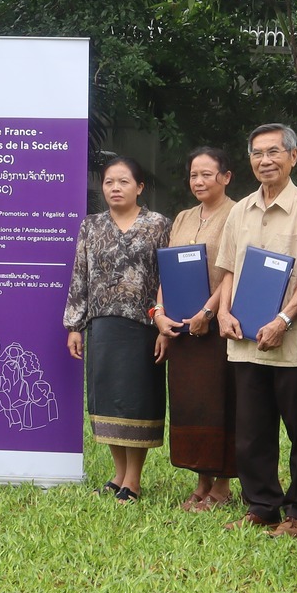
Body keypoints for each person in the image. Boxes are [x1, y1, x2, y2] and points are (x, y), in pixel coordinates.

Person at [212, 123, 297, 538]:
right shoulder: (239, 211)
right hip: (243, 341)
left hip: (292, 342)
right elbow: (227, 270)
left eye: (274, 152)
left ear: (293, 157)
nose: (265, 160)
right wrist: (224, 313)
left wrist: (283, 320)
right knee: (252, 430)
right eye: (258, 153)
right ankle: (262, 505)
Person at [66, 156, 170, 502]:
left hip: (143, 326)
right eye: (109, 181)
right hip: (101, 326)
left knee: (136, 401)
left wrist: (163, 324)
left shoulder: (158, 225)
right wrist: (74, 326)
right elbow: (80, 275)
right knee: (108, 400)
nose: (114, 188)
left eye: (123, 182)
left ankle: (134, 480)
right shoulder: (91, 226)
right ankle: (118, 474)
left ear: (140, 187)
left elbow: (167, 279)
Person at [155, 146, 238, 512]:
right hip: (181, 331)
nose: (199, 181)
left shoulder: (238, 214)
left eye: (207, 174)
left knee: (219, 404)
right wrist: (159, 314)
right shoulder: (184, 216)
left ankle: (221, 485)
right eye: (193, 174)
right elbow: (167, 271)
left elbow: (234, 270)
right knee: (190, 406)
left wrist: (208, 311)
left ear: (226, 177)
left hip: (216, 328)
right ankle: (201, 481)